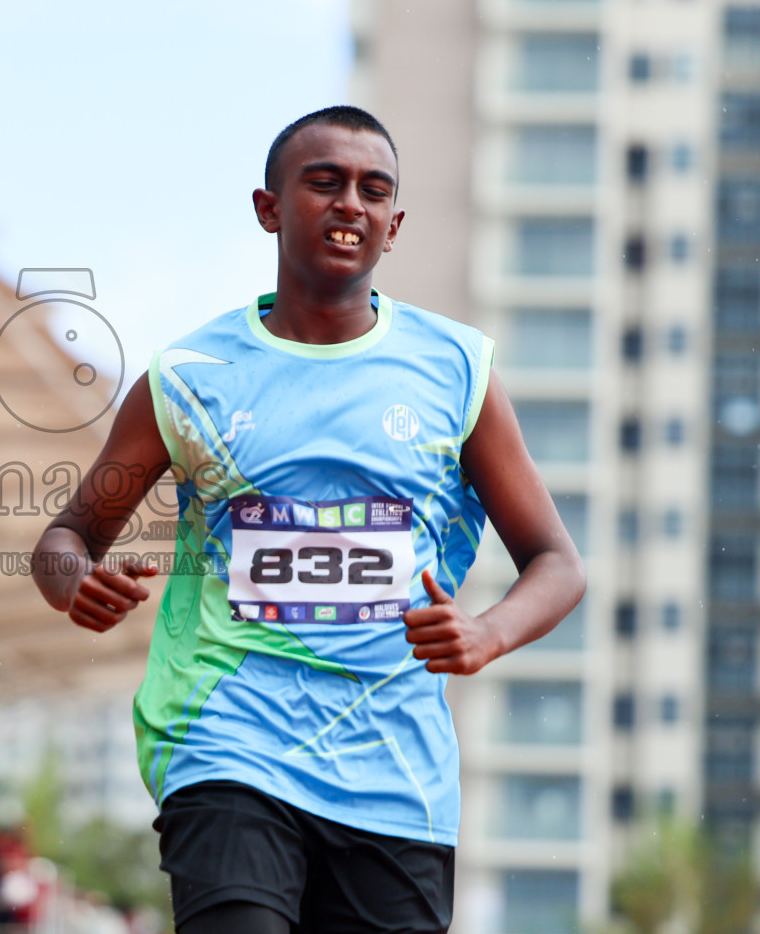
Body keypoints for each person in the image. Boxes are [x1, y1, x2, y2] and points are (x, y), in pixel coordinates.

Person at [31, 107, 585, 934]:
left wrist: (487, 634)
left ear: (394, 225)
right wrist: (78, 583)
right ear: (270, 208)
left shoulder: (458, 369)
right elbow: (65, 538)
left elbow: (557, 562)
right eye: (324, 183)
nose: (349, 204)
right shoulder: (188, 378)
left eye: (373, 190)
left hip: (394, 773)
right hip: (229, 746)